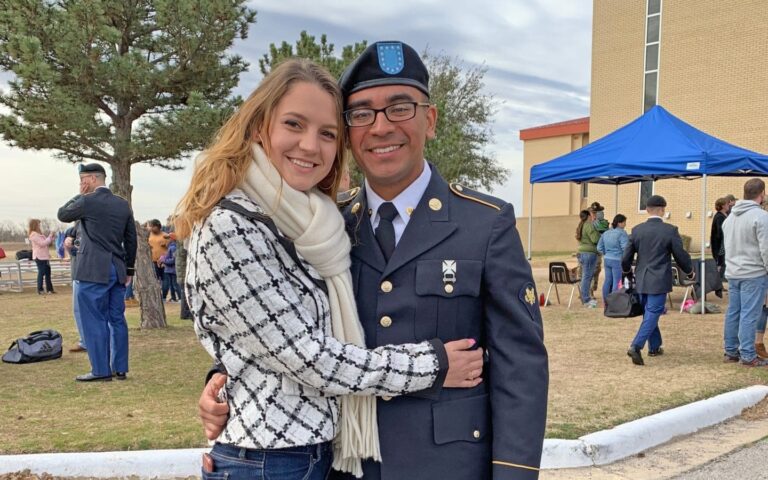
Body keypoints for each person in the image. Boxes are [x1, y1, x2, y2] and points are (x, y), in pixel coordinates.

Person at [198, 41, 549, 480]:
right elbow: (283, 325)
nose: (381, 127)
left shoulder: (485, 224)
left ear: (431, 120)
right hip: (346, 464)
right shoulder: (325, 226)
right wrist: (223, 378)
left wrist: (514, 474)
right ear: (348, 132)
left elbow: (521, 367)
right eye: (362, 113)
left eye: (400, 108)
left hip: (448, 465)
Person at [57, 163, 137, 382]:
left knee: (94, 320)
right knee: (117, 319)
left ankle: (100, 370)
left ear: (92, 179)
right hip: (117, 267)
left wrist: (78, 195)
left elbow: (63, 214)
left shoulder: (87, 201)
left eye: (83, 180)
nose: (81, 184)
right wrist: (129, 268)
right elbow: (131, 239)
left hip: (92, 269)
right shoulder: (122, 204)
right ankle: (120, 368)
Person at [622, 195, 693, 366]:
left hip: (641, 277)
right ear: (662, 210)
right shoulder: (670, 230)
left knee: (649, 313)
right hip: (659, 278)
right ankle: (636, 345)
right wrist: (689, 271)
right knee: (653, 312)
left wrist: (626, 272)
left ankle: (654, 346)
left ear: (647, 210)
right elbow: (680, 254)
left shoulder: (636, 230)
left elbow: (626, 257)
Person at [722, 179, 768, 367]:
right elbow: (766, 248)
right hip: (753, 272)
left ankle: (731, 350)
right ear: (762, 194)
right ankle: (748, 354)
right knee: (750, 313)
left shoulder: (730, 218)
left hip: (733, 271)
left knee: (734, 311)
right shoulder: (761, 217)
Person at [63, 222, 87, 353]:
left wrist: (72, 247)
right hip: (77, 274)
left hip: (91, 275)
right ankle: (84, 341)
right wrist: (68, 244)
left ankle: (96, 342)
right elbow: (71, 252)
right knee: (78, 310)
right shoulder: (71, 230)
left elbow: (81, 251)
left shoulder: (93, 228)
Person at [597, 214, 629, 302]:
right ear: (619, 223)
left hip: (607, 259)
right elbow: (625, 248)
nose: (625, 224)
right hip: (617, 260)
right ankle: (614, 303)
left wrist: (606, 253)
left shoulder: (605, 233)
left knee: (607, 280)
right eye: (624, 222)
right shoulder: (622, 233)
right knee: (617, 281)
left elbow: (599, 247)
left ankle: (605, 302)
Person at [576, 209, 600, 307]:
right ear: (588, 216)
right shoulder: (589, 225)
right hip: (589, 253)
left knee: (585, 276)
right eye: (591, 214)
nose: (593, 216)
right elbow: (595, 239)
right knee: (587, 276)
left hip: (582, 252)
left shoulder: (581, 225)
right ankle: (586, 299)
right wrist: (599, 234)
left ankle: (584, 297)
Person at [28, 219, 56, 295]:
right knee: (41, 273)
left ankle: (49, 289)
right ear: (35, 225)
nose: (39, 226)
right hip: (39, 256)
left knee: (48, 273)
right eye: (38, 224)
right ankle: (40, 289)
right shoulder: (33, 235)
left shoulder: (39, 234)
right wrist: (49, 236)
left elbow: (47, 243)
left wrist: (52, 238)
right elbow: (42, 243)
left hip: (45, 256)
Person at [710, 197, 728, 280]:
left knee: (722, 264)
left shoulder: (724, 215)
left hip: (723, 244)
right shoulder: (719, 217)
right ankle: (717, 284)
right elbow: (719, 232)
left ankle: (719, 284)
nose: (728, 205)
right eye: (727, 204)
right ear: (723, 205)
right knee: (720, 264)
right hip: (720, 245)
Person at [146, 219, 169, 284]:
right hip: (153, 261)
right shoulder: (148, 235)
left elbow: (171, 247)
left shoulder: (165, 235)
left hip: (163, 261)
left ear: (158, 227)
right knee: (155, 279)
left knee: (165, 280)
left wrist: (165, 244)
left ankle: (164, 293)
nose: (151, 228)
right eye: (151, 226)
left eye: (153, 226)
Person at [159, 234, 179, 303]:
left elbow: (173, 260)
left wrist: (164, 260)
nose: (166, 240)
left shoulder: (173, 247)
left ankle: (180, 298)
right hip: (169, 270)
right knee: (171, 285)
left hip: (172, 270)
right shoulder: (170, 247)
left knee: (175, 285)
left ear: (172, 239)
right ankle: (173, 298)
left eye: (168, 238)